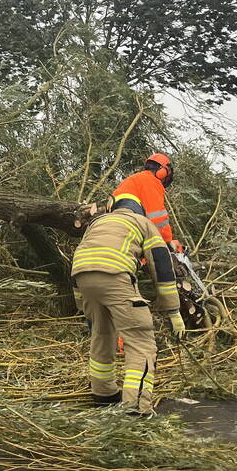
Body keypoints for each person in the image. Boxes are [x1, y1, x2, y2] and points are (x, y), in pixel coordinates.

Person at [71, 193, 184, 415]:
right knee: (141, 342)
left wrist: (82, 306)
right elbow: (161, 266)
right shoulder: (143, 223)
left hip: (82, 278)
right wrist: (173, 311)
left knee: (101, 335)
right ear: (139, 210)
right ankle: (137, 407)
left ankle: (104, 395)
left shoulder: (97, 222)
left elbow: (81, 256)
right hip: (116, 276)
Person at [112, 153, 182, 251]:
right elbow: (157, 219)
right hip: (129, 234)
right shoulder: (151, 181)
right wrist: (168, 242)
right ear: (162, 171)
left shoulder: (131, 180)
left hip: (112, 229)